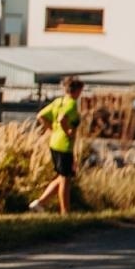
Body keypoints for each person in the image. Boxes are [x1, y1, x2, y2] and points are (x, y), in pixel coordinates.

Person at [29, 75, 84, 214]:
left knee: (62, 176)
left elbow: (41, 115)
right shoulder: (71, 103)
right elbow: (62, 119)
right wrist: (68, 132)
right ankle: (65, 212)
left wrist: (52, 129)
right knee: (66, 180)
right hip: (64, 145)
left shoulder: (58, 102)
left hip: (54, 142)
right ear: (76, 90)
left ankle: (40, 203)